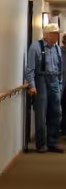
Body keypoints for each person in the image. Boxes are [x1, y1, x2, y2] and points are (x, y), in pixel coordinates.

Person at [25, 23, 63, 152]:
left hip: (54, 80)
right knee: (41, 114)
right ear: (47, 34)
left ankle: (53, 142)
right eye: (55, 34)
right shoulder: (35, 47)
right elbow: (30, 69)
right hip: (41, 80)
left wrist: (60, 83)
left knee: (56, 112)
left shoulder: (57, 48)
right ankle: (41, 144)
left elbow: (60, 68)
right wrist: (32, 85)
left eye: (58, 34)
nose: (57, 36)